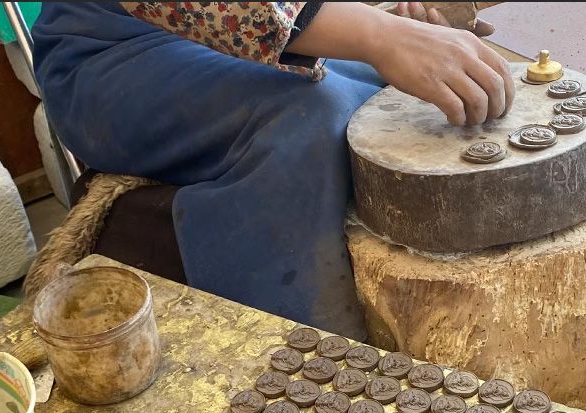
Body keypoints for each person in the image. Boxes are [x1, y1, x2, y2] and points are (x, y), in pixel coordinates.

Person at [32, 2, 513, 339]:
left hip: (247, 36)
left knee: (388, 91)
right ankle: (297, 362)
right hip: (117, 52)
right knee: (312, 117)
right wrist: (380, 34)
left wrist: (400, 22)